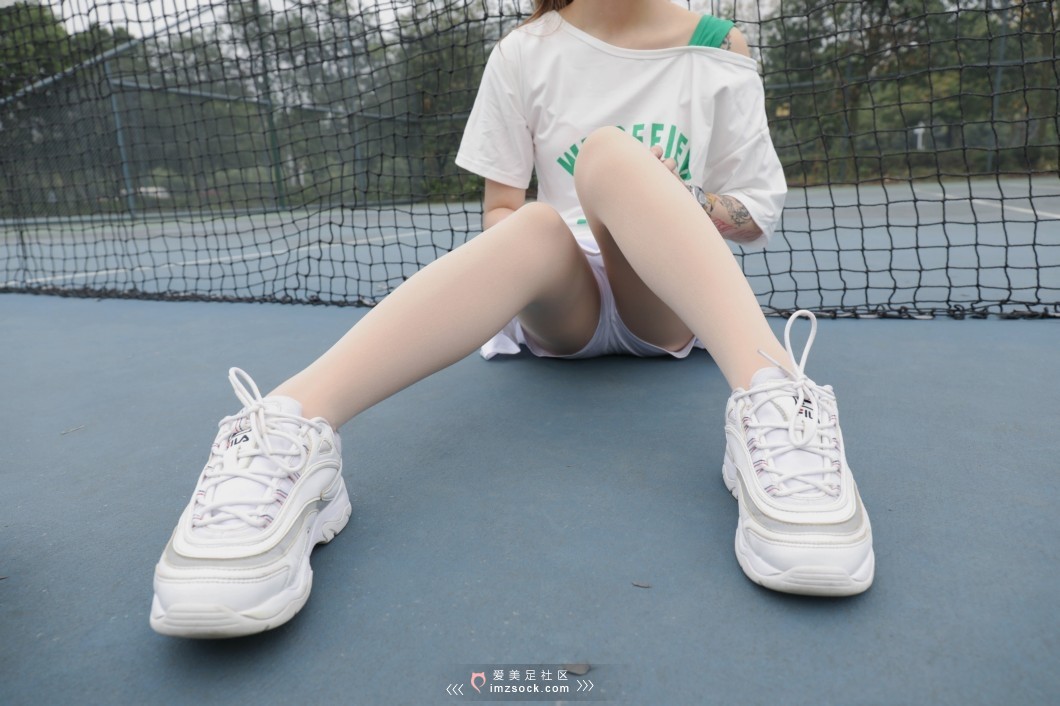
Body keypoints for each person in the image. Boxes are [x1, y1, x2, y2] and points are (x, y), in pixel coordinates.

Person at [150, 0, 875, 639]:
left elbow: (752, 213)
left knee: (610, 155)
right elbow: (500, 208)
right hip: (561, 303)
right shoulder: (523, 51)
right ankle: (288, 427)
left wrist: (685, 197)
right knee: (531, 222)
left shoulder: (720, 45)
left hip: (664, 301)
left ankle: (776, 397)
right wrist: (544, 243)